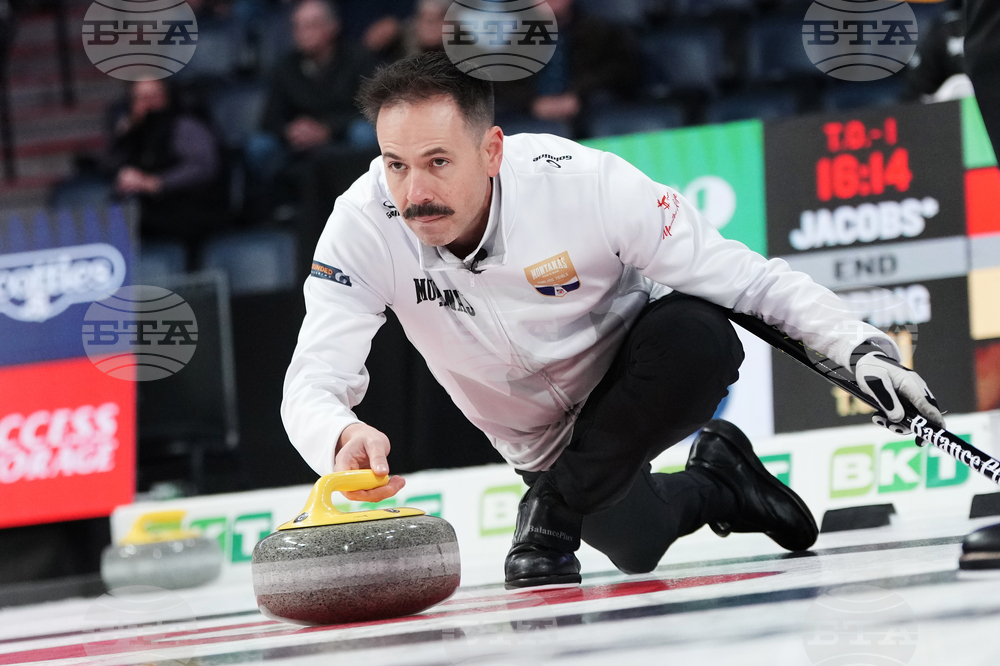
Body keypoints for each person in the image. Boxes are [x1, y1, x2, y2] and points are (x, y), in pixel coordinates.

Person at [281, 52, 945, 588]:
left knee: (699, 338)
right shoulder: (362, 226)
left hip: (638, 368)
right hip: (541, 439)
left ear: (491, 150)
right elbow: (313, 377)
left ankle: (551, 511)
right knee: (638, 544)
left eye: (437, 163)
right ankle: (721, 482)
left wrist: (861, 348)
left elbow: (748, 279)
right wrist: (338, 435)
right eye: (395, 165)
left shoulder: (587, 186)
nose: (414, 193)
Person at [245, 0, 377, 214]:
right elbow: (270, 118)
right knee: (259, 146)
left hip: (342, 133)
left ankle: (364, 201)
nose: (302, 33)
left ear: (332, 27)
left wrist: (327, 129)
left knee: (364, 133)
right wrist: (290, 130)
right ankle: (282, 206)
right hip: (298, 141)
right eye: (297, 26)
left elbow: (372, 108)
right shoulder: (285, 67)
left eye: (310, 25)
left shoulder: (358, 59)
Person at [106, 78, 225, 255]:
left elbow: (204, 167)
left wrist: (158, 182)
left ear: (167, 96)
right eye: (140, 98)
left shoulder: (184, 125)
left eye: (153, 96)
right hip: (147, 213)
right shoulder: (132, 133)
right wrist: (126, 137)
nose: (147, 104)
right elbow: (111, 166)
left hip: (188, 208)